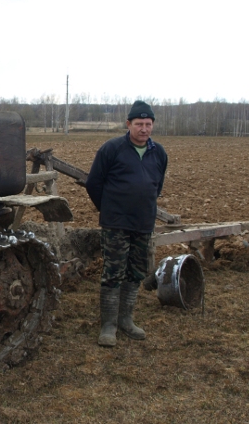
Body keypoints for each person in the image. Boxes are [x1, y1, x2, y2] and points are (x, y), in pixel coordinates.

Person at [84, 100, 168, 347]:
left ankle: (126, 320)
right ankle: (108, 325)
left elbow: (157, 185)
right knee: (113, 272)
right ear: (128, 124)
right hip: (116, 224)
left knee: (136, 272)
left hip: (143, 223)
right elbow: (93, 184)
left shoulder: (159, 153)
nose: (144, 128)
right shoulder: (112, 149)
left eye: (148, 124)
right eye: (139, 124)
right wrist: (109, 209)